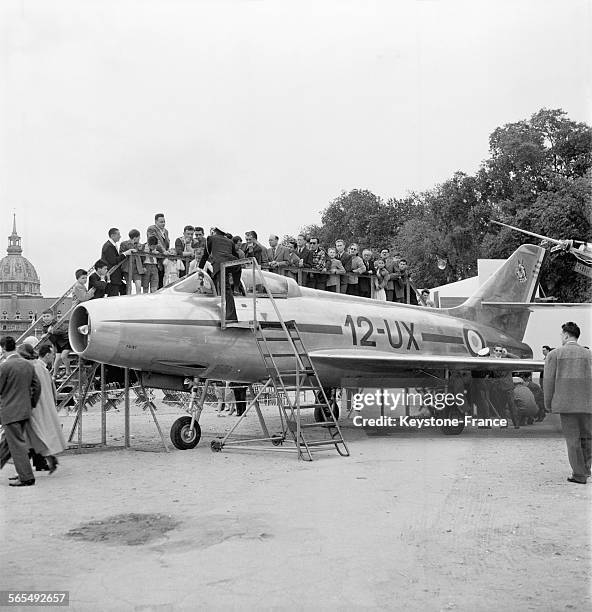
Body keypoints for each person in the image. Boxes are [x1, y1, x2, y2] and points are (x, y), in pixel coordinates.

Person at [543, 322, 592, 484]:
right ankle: (586, 469)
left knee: (573, 441)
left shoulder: (554, 355)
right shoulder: (589, 355)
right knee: (587, 438)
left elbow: (548, 382)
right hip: (587, 404)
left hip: (566, 405)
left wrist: (548, 403)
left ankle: (579, 475)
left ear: (565, 335)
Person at [17, 343, 66, 473]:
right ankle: (44, 461)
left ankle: (25, 470)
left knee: (30, 438)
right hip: (39, 408)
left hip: (33, 408)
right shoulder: (39, 368)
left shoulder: (33, 367)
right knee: (35, 437)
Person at [0, 336, 41, 487]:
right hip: (24, 410)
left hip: (10, 412)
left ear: (3, 348)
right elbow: (37, 387)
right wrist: (31, 404)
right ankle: (25, 475)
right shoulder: (28, 365)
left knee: (16, 445)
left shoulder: (4, 366)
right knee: (7, 444)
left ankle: (26, 477)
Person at [199, 228, 239, 322]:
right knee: (227, 289)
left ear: (215, 231)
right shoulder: (230, 241)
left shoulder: (211, 238)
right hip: (232, 263)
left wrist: (200, 268)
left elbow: (206, 254)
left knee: (226, 290)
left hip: (221, 265)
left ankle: (230, 317)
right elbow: (236, 256)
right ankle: (236, 287)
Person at [489, 345, 520, 428]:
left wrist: (507, 354)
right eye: (497, 350)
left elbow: (518, 359)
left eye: (500, 351)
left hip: (508, 387)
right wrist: (493, 383)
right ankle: (504, 424)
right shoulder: (490, 360)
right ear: (494, 351)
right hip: (498, 388)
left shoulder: (507, 359)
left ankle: (516, 424)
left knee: (512, 406)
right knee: (501, 407)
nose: (499, 352)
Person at [101, 228, 135, 297]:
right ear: (112, 235)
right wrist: (125, 253)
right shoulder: (108, 246)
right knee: (113, 296)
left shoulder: (111, 245)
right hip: (112, 276)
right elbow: (113, 261)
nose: (120, 236)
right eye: (118, 234)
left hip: (115, 277)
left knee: (123, 289)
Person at [41, 309, 72, 379]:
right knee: (57, 359)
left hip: (65, 341)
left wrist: (52, 331)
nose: (46, 318)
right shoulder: (45, 326)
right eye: (44, 316)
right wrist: (44, 335)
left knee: (63, 356)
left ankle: (68, 371)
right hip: (57, 344)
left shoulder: (57, 323)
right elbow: (44, 334)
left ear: (52, 317)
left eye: (47, 316)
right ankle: (54, 374)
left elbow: (63, 331)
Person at [147, 214, 170, 288]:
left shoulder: (166, 231)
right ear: (156, 221)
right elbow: (156, 241)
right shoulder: (151, 229)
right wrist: (163, 251)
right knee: (156, 280)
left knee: (163, 278)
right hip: (155, 256)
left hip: (163, 257)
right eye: (161, 222)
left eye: (164, 222)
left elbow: (167, 243)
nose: (163, 223)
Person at [120, 229, 146, 294]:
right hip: (127, 268)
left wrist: (141, 249)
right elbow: (121, 253)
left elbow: (143, 257)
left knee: (139, 286)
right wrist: (132, 247)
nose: (139, 239)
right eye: (139, 237)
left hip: (137, 268)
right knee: (129, 287)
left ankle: (138, 300)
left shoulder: (139, 245)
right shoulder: (124, 244)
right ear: (135, 238)